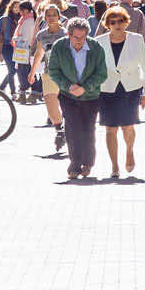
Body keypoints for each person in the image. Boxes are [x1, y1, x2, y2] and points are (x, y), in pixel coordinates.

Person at [45, 17, 107, 180]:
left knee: (88, 129)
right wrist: (69, 86)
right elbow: (53, 71)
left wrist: (85, 87)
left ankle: (88, 162)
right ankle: (74, 164)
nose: (79, 41)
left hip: (91, 96)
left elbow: (102, 73)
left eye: (82, 37)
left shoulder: (96, 47)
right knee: (72, 129)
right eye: (75, 37)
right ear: (69, 35)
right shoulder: (59, 46)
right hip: (68, 95)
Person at [95, 5, 145, 178]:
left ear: (126, 23)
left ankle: (129, 151)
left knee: (127, 126)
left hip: (130, 87)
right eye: (113, 22)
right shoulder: (99, 41)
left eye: (120, 21)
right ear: (107, 24)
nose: (117, 24)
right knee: (110, 129)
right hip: (107, 88)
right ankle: (114, 166)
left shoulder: (137, 39)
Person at [31, 2, 69, 151]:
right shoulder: (42, 34)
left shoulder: (66, 33)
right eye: (49, 15)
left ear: (59, 16)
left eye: (54, 15)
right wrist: (32, 72)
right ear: (44, 17)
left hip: (67, 74)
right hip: (49, 73)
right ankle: (60, 130)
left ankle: (67, 130)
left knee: (67, 105)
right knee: (51, 106)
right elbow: (39, 54)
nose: (52, 17)